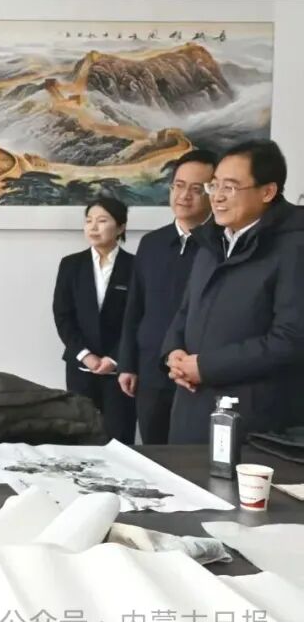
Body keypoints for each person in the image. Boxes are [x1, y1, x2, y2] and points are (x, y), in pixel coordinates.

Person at [162, 139, 304, 443]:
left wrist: (206, 367)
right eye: (214, 185)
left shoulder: (294, 247)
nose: (217, 197)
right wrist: (173, 353)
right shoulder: (212, 241)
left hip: (253, 421)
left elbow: (290, 339)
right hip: (190, 409)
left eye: (230, 187)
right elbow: (186, 310)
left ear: (267, 192)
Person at [118, 150, 214, 444]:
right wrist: (127, 364)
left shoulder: (221, 244)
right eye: (179, 186)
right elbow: (134, 308)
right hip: (151, 370)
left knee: (193, 457)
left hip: (197, 373)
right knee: (154, 451)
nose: (184, 196)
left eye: (197, 189)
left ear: (213, 192)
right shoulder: (152, 243)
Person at [52, 196, 136, 443]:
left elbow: (137, 318)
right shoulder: (71, 265)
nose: (93, 227)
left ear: (120, 227)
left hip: (120, 370)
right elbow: (63, 315)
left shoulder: (135, 265)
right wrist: (85, 355)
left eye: (102, 221)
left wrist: (114, 358)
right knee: (80, 436)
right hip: (81, 367)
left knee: (119, 438)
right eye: (89, 221)